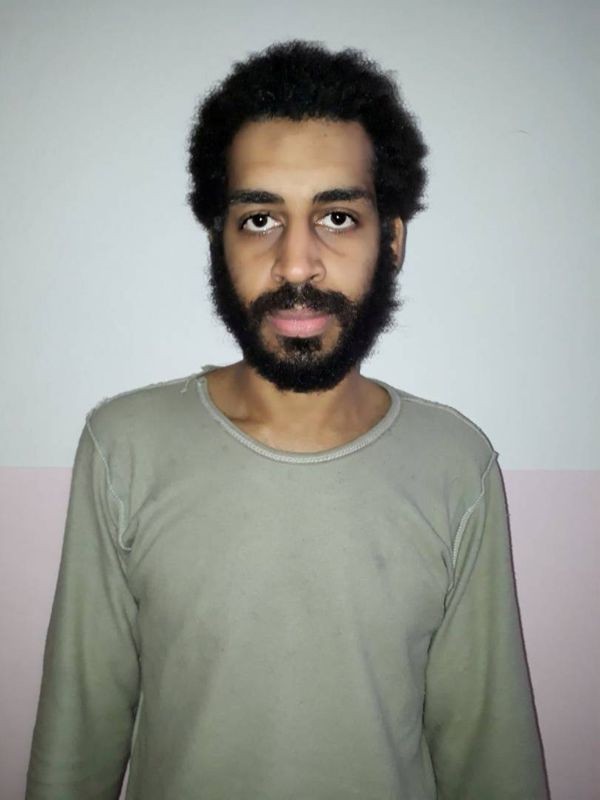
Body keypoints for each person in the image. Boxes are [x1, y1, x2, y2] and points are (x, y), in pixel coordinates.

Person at [26, 40, 549, 800]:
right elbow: (77, 743)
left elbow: (489, 755)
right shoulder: (123, 448)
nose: (297, 264)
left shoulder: (456, 465)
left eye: (337, 216)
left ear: (392, 240)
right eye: (260, 219)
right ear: (218, 240)